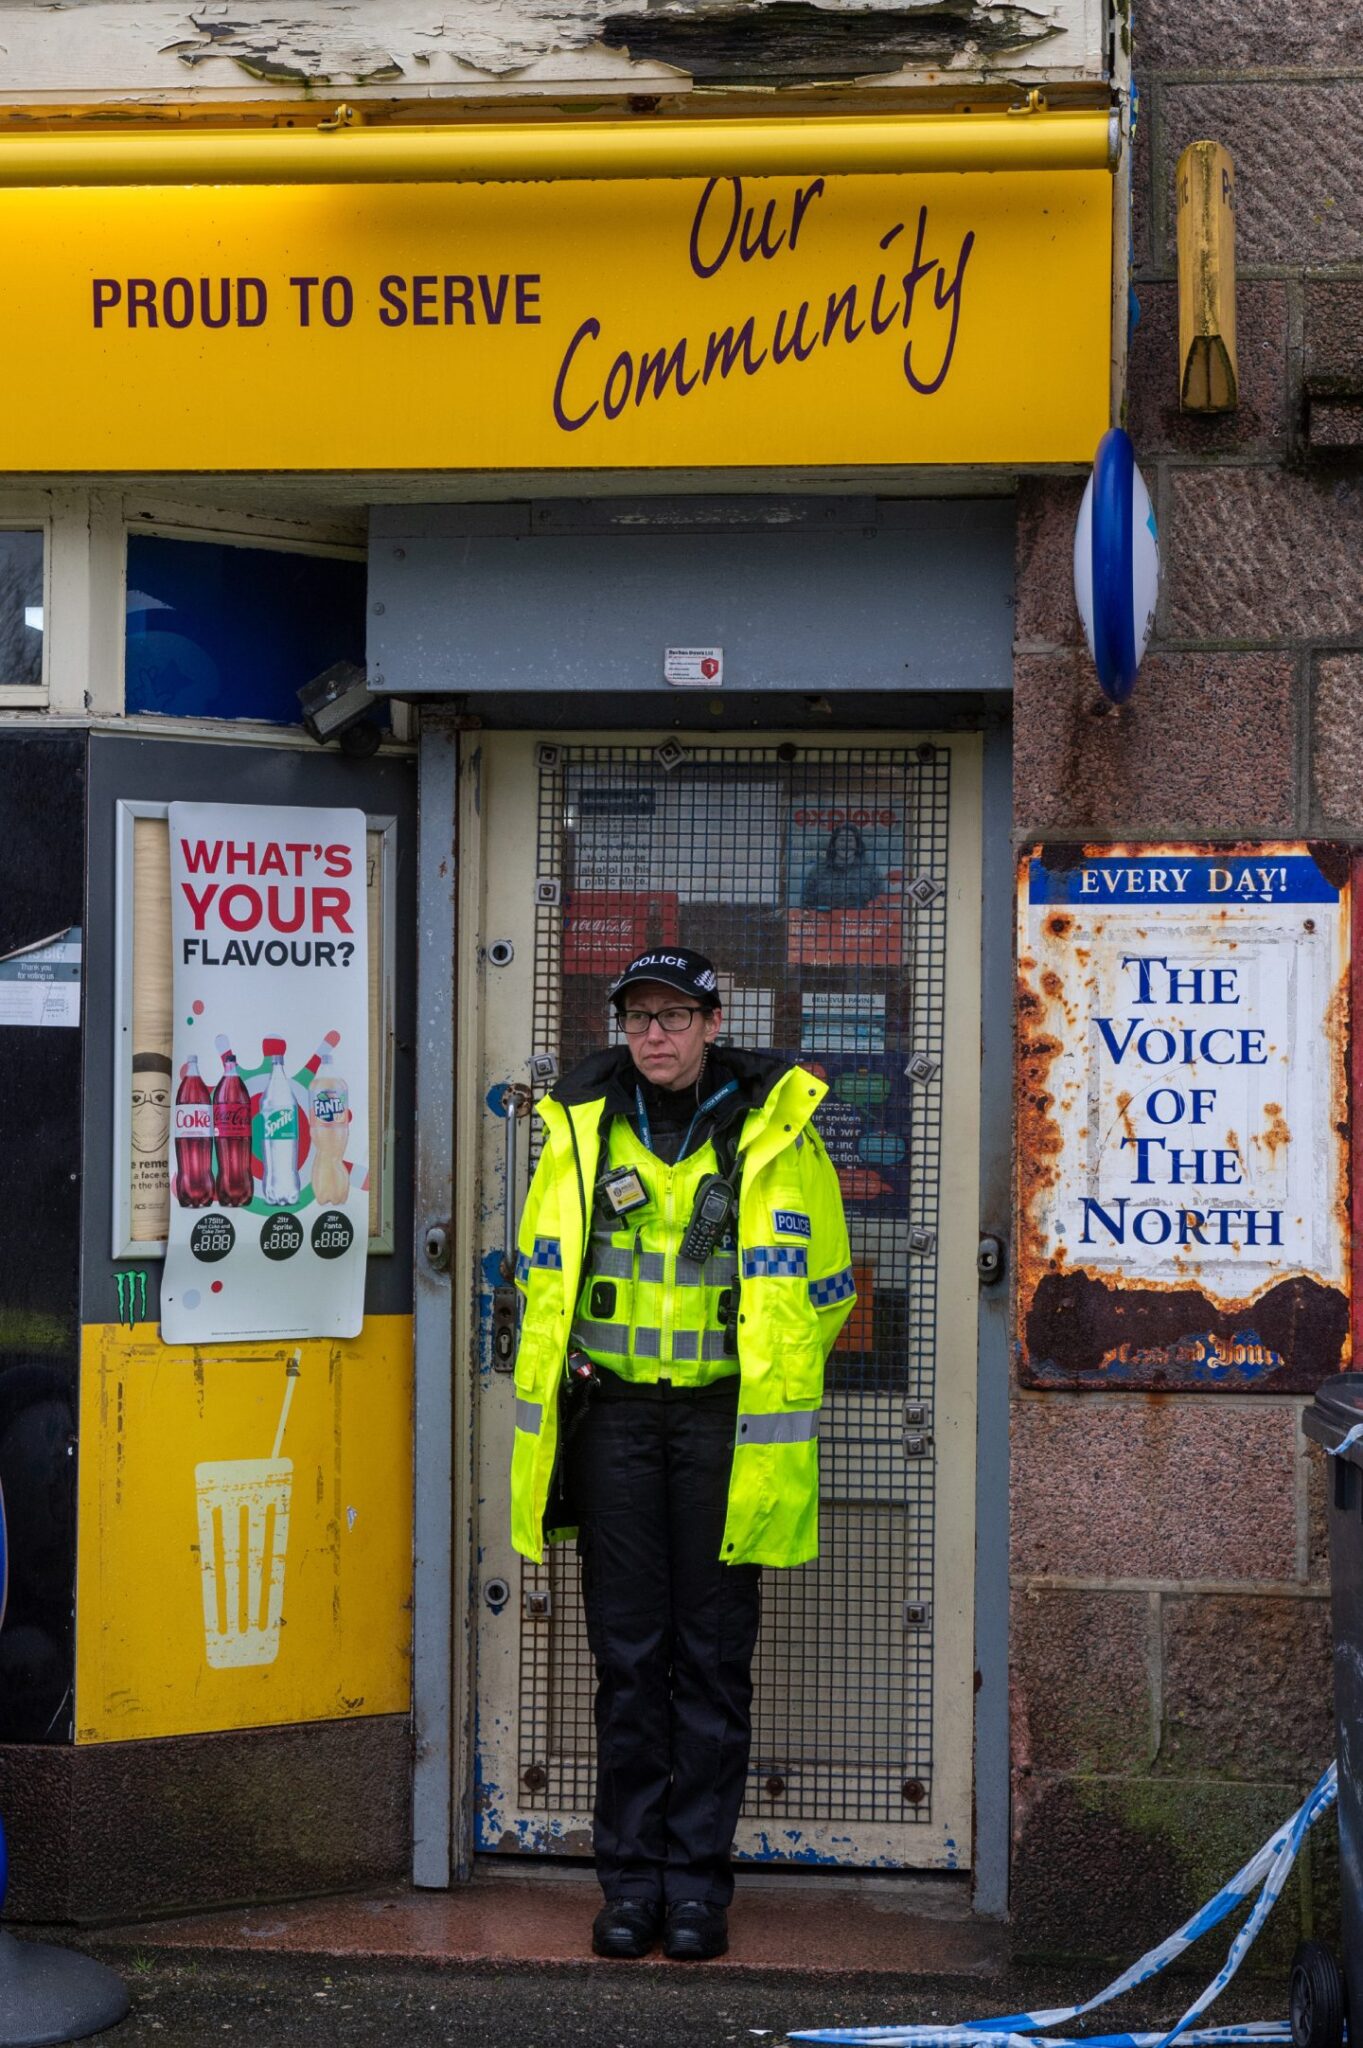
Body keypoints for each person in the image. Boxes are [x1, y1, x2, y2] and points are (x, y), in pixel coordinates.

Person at [509, 947, 855, 1962]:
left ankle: (697, 1890)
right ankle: (627, 1887)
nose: (651, 1035)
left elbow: (828, 1284)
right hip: (613, 1419)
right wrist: (564, 1351)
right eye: (636, 1017)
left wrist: (762, 1368)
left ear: (714, 1020)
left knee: (709, 1662)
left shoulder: (776, 1132)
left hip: (720, 1425)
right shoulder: (578, 1130)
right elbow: (540, 1269)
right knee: (627, 1662)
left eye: (671, 1016)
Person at [799, 822, 885, 911]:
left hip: (860, 923)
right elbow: (806, 904)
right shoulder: (818, 871)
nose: (846, 845)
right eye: (842, 840)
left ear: (857, 844)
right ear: (834, 843)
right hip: (825, 923)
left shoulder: (871, 871)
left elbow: (881, 904)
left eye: (850, 840)